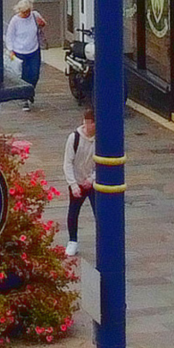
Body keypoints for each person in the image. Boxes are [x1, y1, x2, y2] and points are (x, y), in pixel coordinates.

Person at [62, 108, 96, 257]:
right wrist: (73, 185)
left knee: (99, 212)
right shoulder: (74, 138)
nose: (87, 125)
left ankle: (102, 241)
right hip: (77, 181)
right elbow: (67, 163)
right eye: (86, 122)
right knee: (73, 212)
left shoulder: (100, 139)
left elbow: (103, 163)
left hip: (93, 182)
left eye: (90, 123)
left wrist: (92, 178)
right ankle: (72, 241)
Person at [4, 0, 48, 107]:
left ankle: (30, 91)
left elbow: (42, 24)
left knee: (34, 74)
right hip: (20, 51)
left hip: (33, 49)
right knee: (23, 76)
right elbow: (10, 36)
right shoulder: (15, 20)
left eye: (28, 11)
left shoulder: (34, 15)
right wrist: (11, 50)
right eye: (24, 12)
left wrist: (41, 23)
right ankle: (25, 98)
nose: (26, 14)